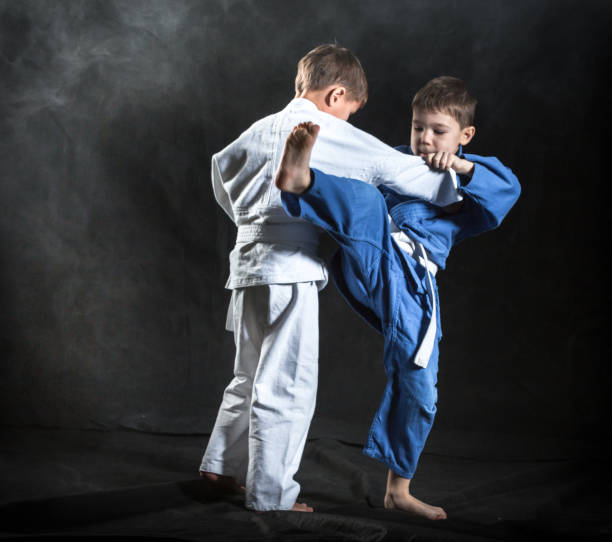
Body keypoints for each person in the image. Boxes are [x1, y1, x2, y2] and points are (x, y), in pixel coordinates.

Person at [200, 47, 462, 513]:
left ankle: (219, 466)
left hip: (245, 266)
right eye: (348, 110)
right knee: (286, 385)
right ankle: (272, 497)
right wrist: (452, 177)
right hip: (290, 266)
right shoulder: (328, 130)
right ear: (336, 93)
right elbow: (400, 171)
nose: (347, 118)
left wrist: (250, 222)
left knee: (247, 374)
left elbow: (223, 177)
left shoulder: (255, 130)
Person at [275, 76, 521, 519]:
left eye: (438, 131)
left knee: (419, 385)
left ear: (464, 136)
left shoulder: (465, 178)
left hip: (411, 284)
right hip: (370, 253)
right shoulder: (394, 161)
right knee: (367, 200)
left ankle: (398, 490)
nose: (425, 139)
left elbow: (507, 191)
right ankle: (302, 180)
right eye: (417, 128)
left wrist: (463, 169)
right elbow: (355, 167)